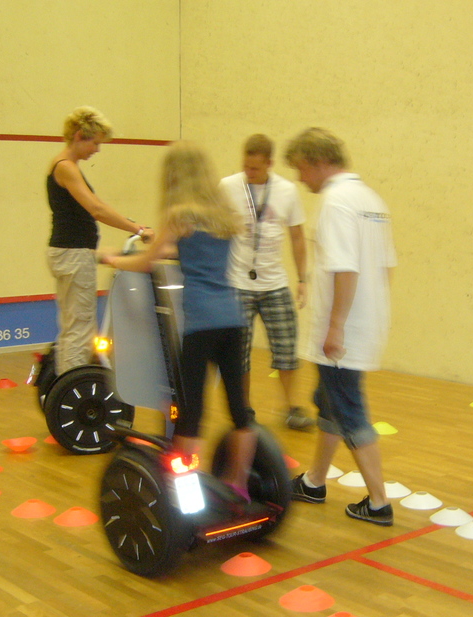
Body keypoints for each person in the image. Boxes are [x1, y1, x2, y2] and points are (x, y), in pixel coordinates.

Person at [101, 142, 256, 499]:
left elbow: (147, 263)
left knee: (190, 413)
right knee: (240, 411)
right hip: (233, 321)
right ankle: (238, 486)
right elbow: (187, 249)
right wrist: (169, 248)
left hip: (201, 325)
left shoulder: (178, 215)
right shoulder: (223, 214)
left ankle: (185, 496)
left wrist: (112, 260)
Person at [283, 128, 397, 526]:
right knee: (328, 400)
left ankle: (379, 503)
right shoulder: (371, 200)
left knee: (349, 411)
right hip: (363, 324)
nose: (300, 179)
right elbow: (386, 268)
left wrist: (336, 327)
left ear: (318, 162)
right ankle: (315, 481)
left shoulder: (336, 202)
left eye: (301, 169)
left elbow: (345, 269)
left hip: (343, 331)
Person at [46, 106, 152, 376]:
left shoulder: (64, 166)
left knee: (74, 328)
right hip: (73, 255)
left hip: (70, 253)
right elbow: (97, 209)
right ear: (79, 136)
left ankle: (65, 384)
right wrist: (138, 229)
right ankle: (73, 386)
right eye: (95, 143)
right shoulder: (66, 167)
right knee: (80, 330)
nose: (97, 150)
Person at [220, 134, 313, 431]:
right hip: (237, 284)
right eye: (246, 166)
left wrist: (302, 279)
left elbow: (297, 237)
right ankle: (244, 410)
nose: (249, 172)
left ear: (270, 164)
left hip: (275, 285)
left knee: (286, 348)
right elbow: (214, 229)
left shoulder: (287, 191)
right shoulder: (227, 187)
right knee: (238, 354)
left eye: (256, 168)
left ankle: (293, 408)